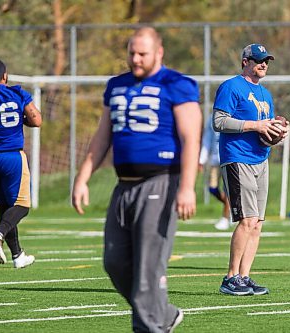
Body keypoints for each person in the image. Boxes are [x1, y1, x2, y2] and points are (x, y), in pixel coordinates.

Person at [71, 27, 201, 332]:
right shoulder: (117, 85)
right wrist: (82, 178)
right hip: (123, 185)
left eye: (142, 53)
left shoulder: (177, 84)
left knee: (147, 271)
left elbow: (191, 138)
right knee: (114, 262)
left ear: (159, 52)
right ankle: (164, 314)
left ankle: (152, 326)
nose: (135, 58)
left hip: (160, 181)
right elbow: (102, 137)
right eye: (131, 52)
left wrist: (186, 188)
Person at [213, 43, 288, 296]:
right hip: (237, 158)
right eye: (258, 59)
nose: (263, 64)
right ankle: (230, 277)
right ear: (245, 61)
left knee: (256, 224)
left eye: (266, 59)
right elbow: (219, 121)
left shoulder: (265, 94)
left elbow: (266, 131)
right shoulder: (231, 86)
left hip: (260, 159)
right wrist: (256, 125)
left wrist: (278, 132)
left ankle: (244, 277)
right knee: (246, 220)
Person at [0, 59, 41, 269]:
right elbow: (37, 120)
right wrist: (20, 118)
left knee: (5, 206)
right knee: (23, 205)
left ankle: (17, 255)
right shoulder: (16, 94)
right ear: (5, 76)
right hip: (12, 157)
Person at [199, 114, 231, 230]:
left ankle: (225, 218)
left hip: (229, 158)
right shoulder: (212, 118)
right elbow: (207, 139)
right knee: (212, 188)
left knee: (228, 190)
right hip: (215, 159)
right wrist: (202, 160)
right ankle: (232, 209)